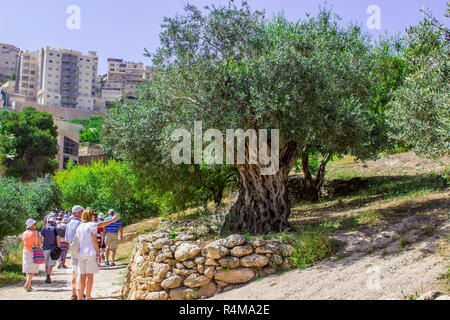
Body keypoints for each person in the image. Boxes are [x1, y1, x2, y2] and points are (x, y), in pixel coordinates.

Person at [75, 209, 120, 300]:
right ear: (91, 217)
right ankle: (88, 296)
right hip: (90, 253)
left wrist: (112, 220)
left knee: (81, 275)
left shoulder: (80, 226)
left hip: (81, 253)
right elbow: (95, 241)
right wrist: (98, 253)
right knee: (90, 276)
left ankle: (80, 296)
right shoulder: (92, 225)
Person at [66, 205, 84, 300]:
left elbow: (66, 240)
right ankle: (81, 293)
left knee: (74, 271)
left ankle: (73, 293)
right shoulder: (81, 223)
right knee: (82, 272)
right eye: (82, 211)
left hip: (73, 250)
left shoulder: (68, 224)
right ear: (77, 213)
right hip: (81, 250)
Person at [22, 219, 42, 292]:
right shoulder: (36, 233)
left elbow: (23, 242)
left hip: (25, 251)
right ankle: (27, 284)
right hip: (33, 252)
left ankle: (29, 285)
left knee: (28, 269)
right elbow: (40, 244)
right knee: (32, 270)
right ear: (32, 225)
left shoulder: (24, 233)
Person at [40, 216, 60, 284]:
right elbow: (57, 238)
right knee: (51, 264)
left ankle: (47, 276)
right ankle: (48, 276)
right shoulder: (55, 229)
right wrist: (59, 247)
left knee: (46, 263)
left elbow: (41, 237)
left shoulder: (44, 228)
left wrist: (40, 246)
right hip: (53, 248)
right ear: (54, 222)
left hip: (45, 248)